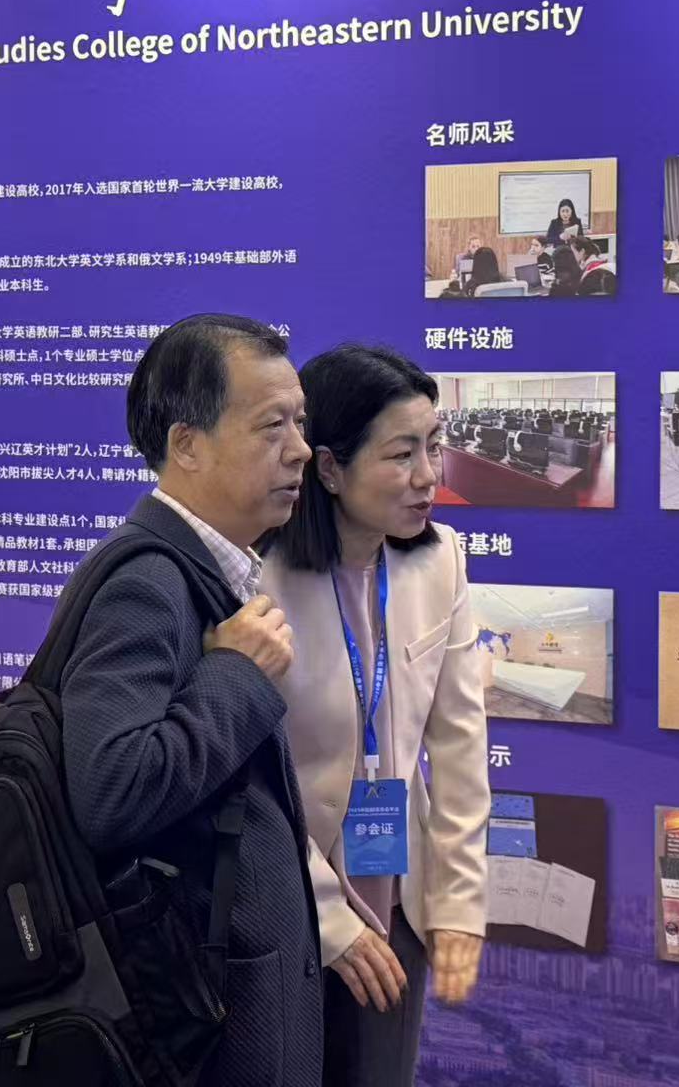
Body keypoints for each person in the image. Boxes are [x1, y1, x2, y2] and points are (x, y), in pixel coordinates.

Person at [61, 314, 323, 1087]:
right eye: (271, 426)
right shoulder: (147, 582)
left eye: (300, 423)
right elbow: (113, 789)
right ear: (187, 445)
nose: (301, 450)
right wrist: (236, 674)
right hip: (201, 1017)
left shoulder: (208, 569)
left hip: (219, 993)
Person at [260, 345, 489, 1087]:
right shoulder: (259, 581)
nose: (429, 475)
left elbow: (459, 745)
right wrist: (331, 921)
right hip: (288, 908)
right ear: (329, 467)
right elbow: (249, 784)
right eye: (401, 454)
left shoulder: (438, 560)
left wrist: (457, 904)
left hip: (399, 902)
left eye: (434, 446)